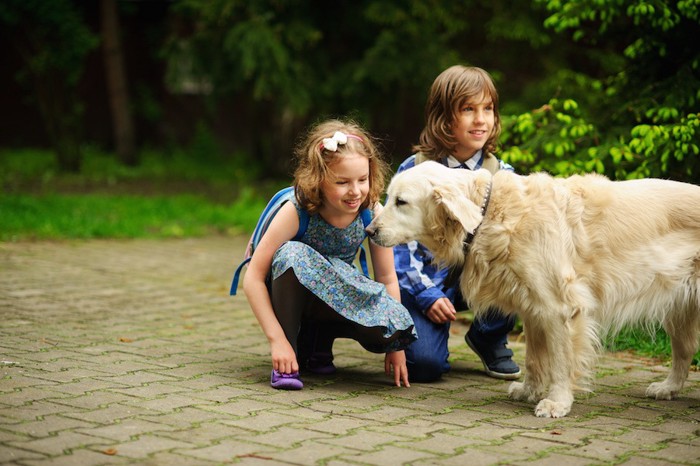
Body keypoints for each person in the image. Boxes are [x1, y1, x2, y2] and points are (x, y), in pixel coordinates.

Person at [243, 118, 417, 390]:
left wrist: (396, 345)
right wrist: (277, 340)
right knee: (293, 254)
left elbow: (386, 278)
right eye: (342, 182)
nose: (355, 191)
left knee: (388, 321)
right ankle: (290, 355)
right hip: (289, 295)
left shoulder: (371, 211)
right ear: (319, 179)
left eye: (363, 179)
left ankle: (318, 344)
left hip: (333, 294)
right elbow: (253, 277)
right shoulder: (297, 210)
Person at [394, 65, 521, 382]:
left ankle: (488, 336)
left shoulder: (501, 174)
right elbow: (402, 245)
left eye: (488, 109)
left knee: (519, 265)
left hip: (478, 279)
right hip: (425, 280)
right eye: (468, 109)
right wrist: (427, 296)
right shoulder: (415, 170)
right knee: (425, 366)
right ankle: (412, 331)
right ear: (444, 117)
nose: (481, 119)